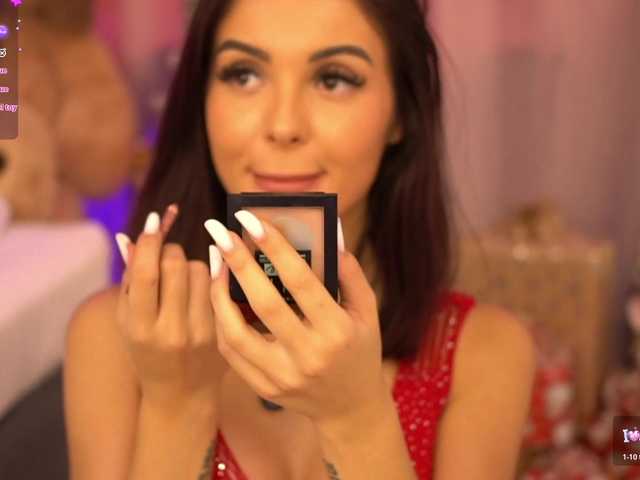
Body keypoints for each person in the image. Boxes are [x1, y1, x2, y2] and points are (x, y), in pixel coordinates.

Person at [63, 0, 536, 479]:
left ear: (401, 114)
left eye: (333, 79)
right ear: (202, 100)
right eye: (244, 75)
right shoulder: (111, 337)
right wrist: (177, 405)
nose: (283, 126)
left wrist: (356, 419)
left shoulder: (484, 352)